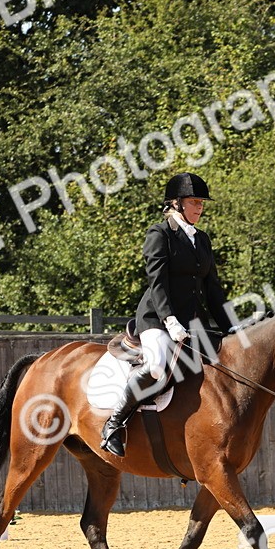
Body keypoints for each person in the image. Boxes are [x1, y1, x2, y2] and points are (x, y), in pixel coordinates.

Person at [100, 172, 236, 457]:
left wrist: (234, 328)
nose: (199, 208)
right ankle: (113, 424)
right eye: (194, 202)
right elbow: (157, 282)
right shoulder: (159, 234)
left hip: (193, 322)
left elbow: (213, 290)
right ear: (176, 203)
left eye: (201, 203)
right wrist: (170, 320)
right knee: (157, 366)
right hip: (157, 319)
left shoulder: (202, 239)